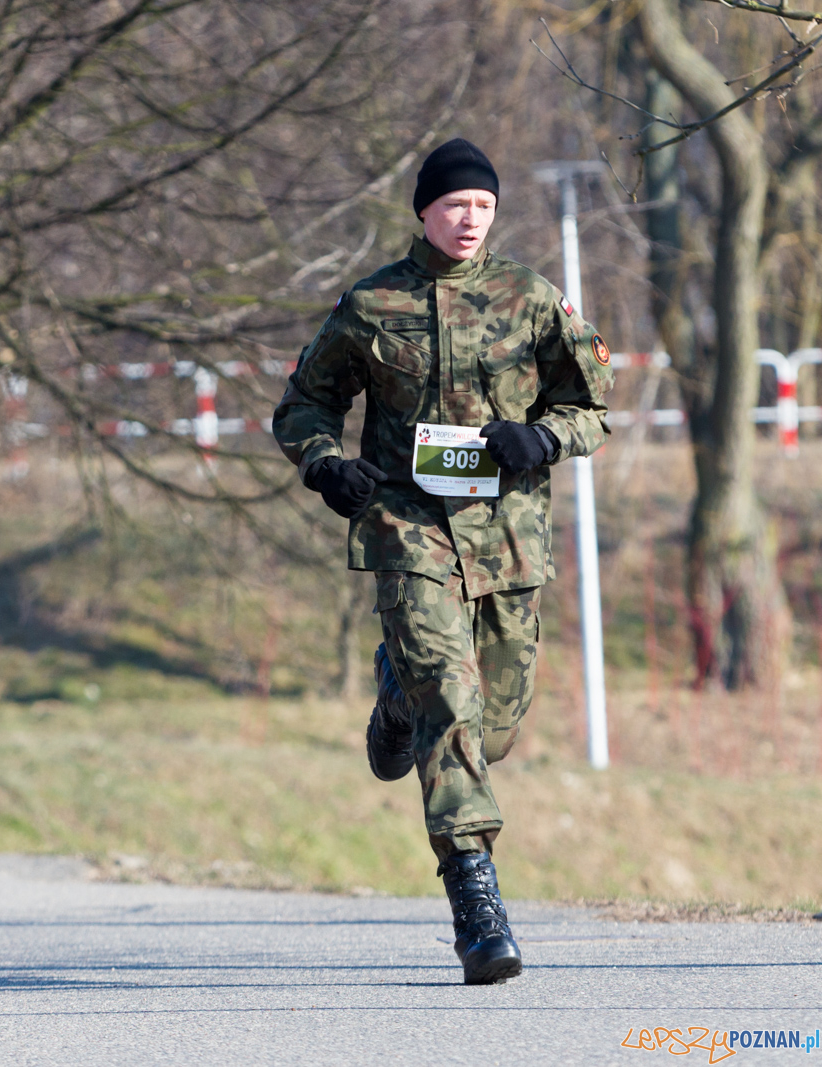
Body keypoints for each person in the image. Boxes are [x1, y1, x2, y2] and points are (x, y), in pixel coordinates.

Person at [272, 138, 615, 984]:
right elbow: (306, 400)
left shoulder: (532, 300)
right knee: (454, 710)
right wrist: (324, 462)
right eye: (456, 204)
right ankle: (476, 904)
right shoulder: (374, 303)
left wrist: (543, 434)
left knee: (492, 729)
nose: (470, 218)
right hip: (408, 532)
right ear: (423, 210)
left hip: (506, 542)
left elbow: (593, 405)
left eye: (484, 206)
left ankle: (397, 701)